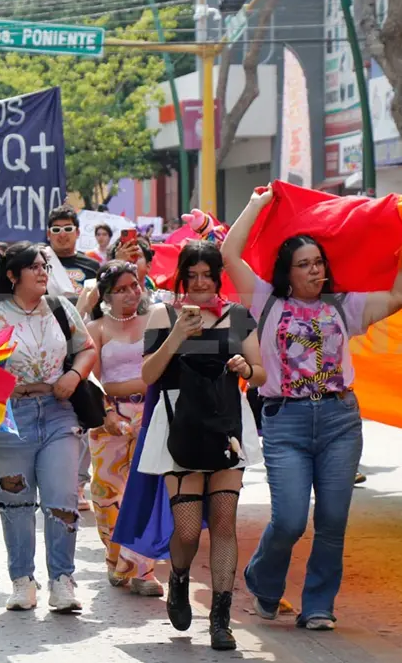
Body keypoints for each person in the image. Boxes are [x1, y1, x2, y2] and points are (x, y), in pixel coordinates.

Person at [222, 187, 402, 631]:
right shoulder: (266, 302)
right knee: (289, 520)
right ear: (288, 272)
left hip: (341, 420)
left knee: (333, 520)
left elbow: (397, 298)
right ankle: (263, 578)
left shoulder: (344, 306)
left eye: (318, 262)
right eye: (304, 264)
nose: (314, 270)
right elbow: (230, 253)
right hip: (286, 422)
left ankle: (318, 605)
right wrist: (256, 204)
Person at [138, 241, 265, 650]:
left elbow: (260, 373)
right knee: (189, 530)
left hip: (227, 421)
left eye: (207, 275)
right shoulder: (163, 314)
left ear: (217, 276)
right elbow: (148, 374)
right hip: (179, 424)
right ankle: (178, 576)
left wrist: (247, 368)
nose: (199, 283)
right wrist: (176, 334)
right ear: (181, 277)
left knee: (225, 521)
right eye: (191, 275)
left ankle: (221, 619)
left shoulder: (239, 316)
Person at [0, 242, 97, 614]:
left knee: (62, 499)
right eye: (34, 267)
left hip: (59, 411)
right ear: (12, 275)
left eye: (45, 266)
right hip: (9, 418)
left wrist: (73, 374)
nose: (43, 272)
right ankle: (22, 580)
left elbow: (86, 347)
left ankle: (62, 581)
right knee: (16, 502)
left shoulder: (60, 308)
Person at [83, 260, 162, 598]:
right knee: (105, 494)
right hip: (110, 418)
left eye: (135, 285)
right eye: (122, 289)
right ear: (106, 295)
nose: (131, 293)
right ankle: (116, 556)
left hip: (151, 413)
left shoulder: (155, 320)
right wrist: (106, 414)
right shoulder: (97, 328)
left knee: (145, 491)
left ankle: (144, 569)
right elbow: (88, 376)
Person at [46, 204, 101, 510]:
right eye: (56, 229)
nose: (63, 235)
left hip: (86, 348)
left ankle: (78, 483)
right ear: (48, 234)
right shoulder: (39, 263)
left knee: (88, 414)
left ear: (78, 233)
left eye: (68, 229)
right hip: (49, 349)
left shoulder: (92, 267)